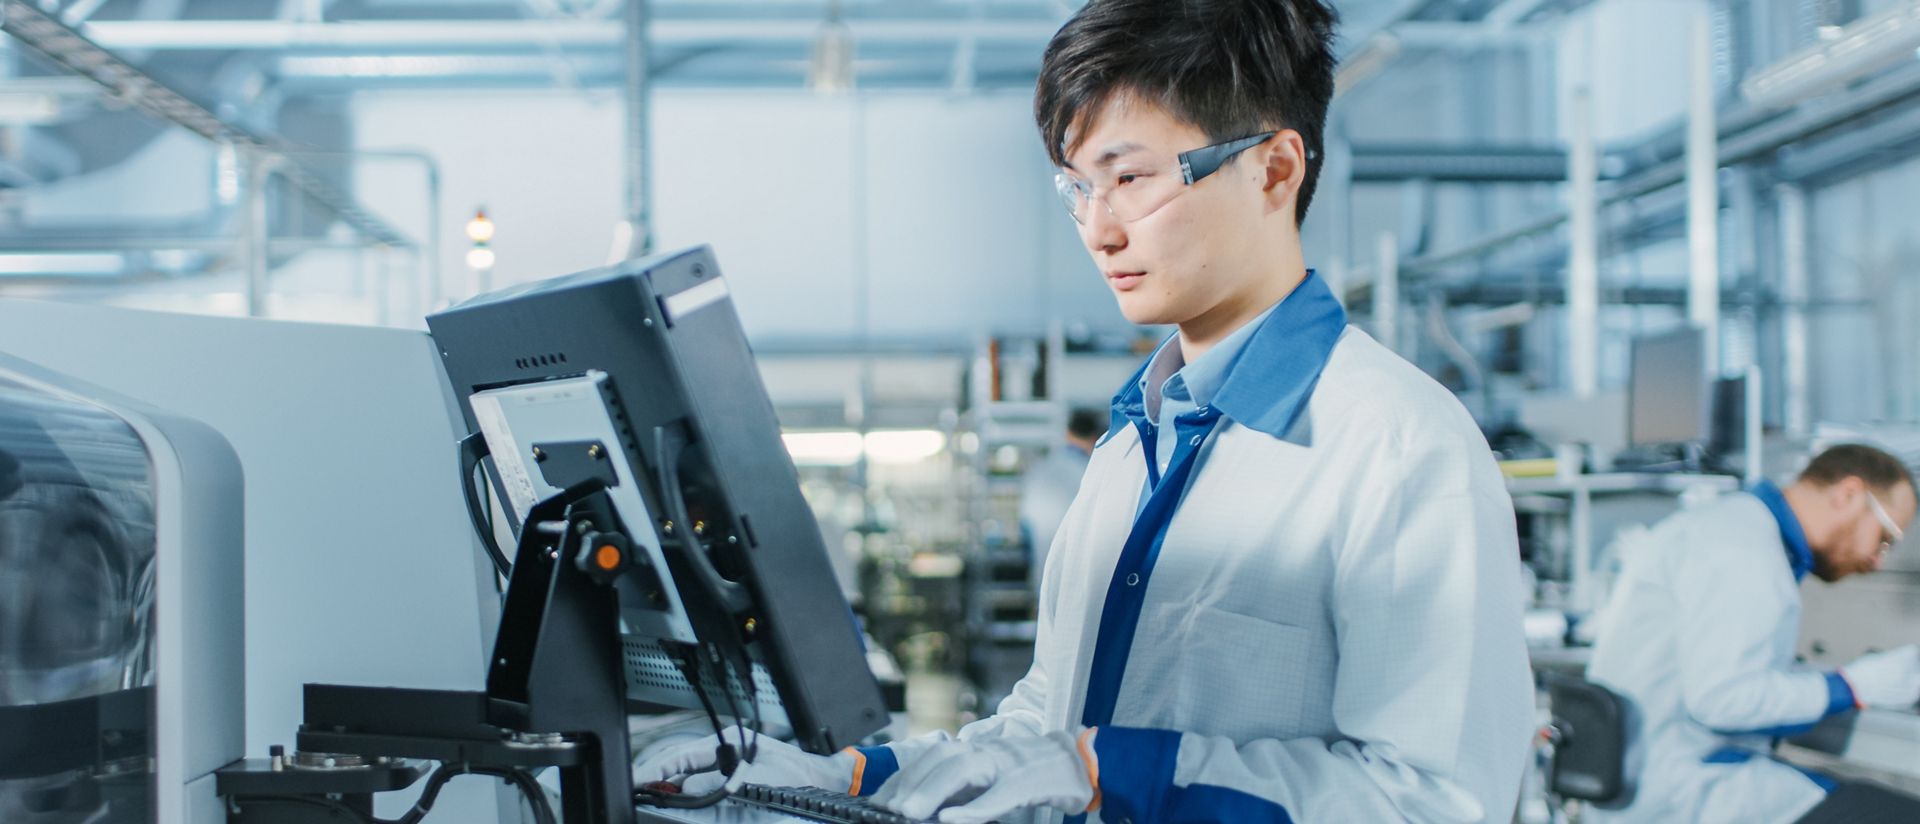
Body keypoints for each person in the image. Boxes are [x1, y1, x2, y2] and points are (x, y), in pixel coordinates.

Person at [639, 1, 1534, 821]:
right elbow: (1044, 727)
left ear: (1273, 167)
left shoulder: (1397, 448)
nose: (1099, 229)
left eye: (1131, 178)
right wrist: (848, 776)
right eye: (1077, 187)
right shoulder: (1129, 448)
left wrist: (1114, 772)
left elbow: (1436, 799)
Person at [1583, 443, 1920, 823]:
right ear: (1848, 495)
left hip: (1652, 778)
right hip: (1684, 791)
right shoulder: (1745, 552)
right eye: (1884, 538)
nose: (1877, 561)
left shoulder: (1730, 527)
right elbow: (1721, 700)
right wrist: (1852, 686)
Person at [1020, 407, 1103, 590]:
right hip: (1080, 576)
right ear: (1094, 438)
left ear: (1067, 433)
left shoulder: (1040, 468)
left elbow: (1025, 525)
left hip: (1043, 572)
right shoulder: (1090, 472)